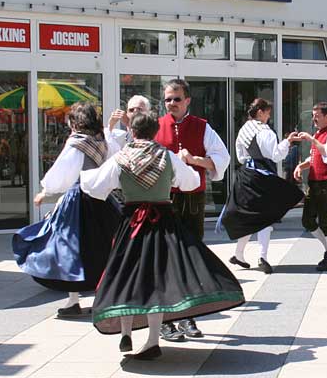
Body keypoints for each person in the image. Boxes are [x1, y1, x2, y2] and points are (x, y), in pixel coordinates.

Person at [81, 112, 245, 360]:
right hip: (163, 221)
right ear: (155, 132)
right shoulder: (166, 155)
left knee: (127, 274)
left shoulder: (121, 157)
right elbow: (189, 182)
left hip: (132, 222)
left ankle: (126, 331)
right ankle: (152, 339)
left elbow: (96, 187)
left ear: (132, 133)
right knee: (156, 280)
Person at [13, 102, 121, 317]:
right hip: (101, 199)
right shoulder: (103, 140)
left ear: (75, 121)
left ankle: (73, 301)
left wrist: (46, 191)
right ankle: (106, 297)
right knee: (103, 248)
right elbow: (114, 163)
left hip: (78, 200)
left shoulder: (76, 143)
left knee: (69, 249)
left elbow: (63, 172)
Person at [155, 78, 230, 340]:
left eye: (176, 98)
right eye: (167, 99)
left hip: (192, 199)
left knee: (190, 255)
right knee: (164, 258)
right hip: (162, 200)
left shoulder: (202, 127)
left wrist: (195, 159)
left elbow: (223, 159)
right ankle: (164, 320)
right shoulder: (156, 126)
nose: (171, 103)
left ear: (187, 100)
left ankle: (187, 316)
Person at [218, 98, 304, 274]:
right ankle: (262, 256)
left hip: (246, 176)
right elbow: (276, 155)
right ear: (260, 112)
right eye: (268, 112)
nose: (269, 116)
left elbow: (241, 156)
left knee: (252, 217)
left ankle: (239, 254)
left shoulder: (244, 129)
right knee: (266, 216)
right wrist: (288, 141)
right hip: (262, 177)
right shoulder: (265, 131)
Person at [293, 102, 327, 272]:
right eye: (313, 115)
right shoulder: (319, 134)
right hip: (315, 182)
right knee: (307, 220)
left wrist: (312, 139)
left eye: (317, 115)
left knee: (324, 221)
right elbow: (314, 158)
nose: (314, 118)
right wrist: (301, 166)